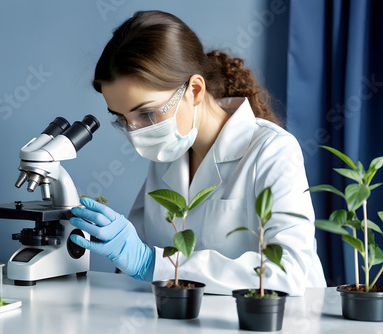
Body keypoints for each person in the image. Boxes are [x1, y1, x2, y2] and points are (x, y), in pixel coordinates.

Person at [69, 10, 326, 296]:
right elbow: (136, 255)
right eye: (122, 118)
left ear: (194, 90)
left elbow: (289, 272)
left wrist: (153, 263)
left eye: (146, 113)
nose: (135, 132)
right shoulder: (169, 154)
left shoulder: (272, 150)